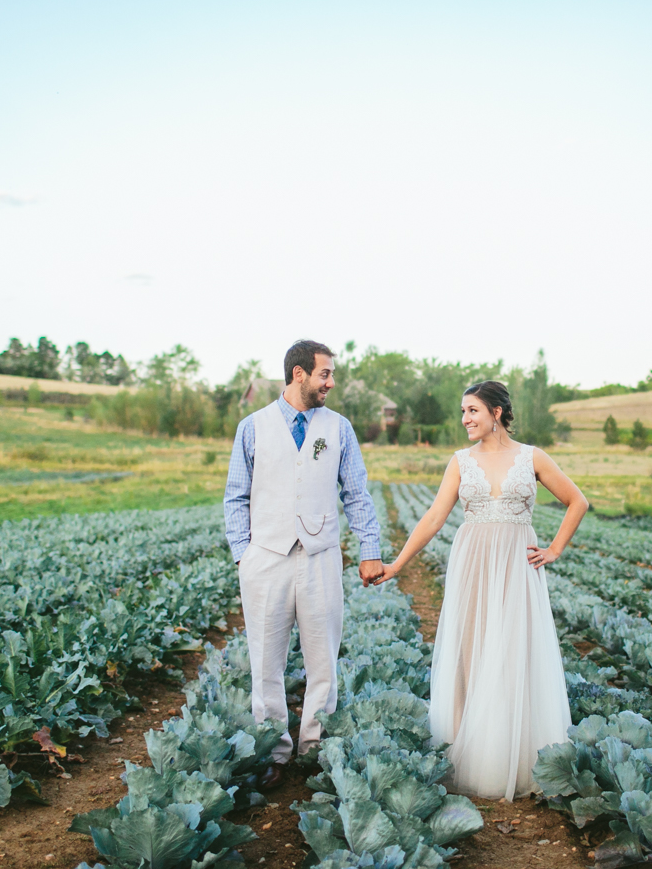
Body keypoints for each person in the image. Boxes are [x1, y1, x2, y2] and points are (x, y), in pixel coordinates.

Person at [374, 380, 587, 800]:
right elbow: (435, 517)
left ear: (496, 413)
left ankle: (514, 752)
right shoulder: (459, 461)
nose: (465, 419)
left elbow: (576, 500)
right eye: (463, 412)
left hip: (515, 565)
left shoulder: (532, 457)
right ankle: (467, 747)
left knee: (512, 650)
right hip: (471, 562)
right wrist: (398, 563)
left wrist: (554, 549)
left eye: (472, 410)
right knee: (472, 648)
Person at [223, 339, 385, 789]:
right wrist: (244, 556)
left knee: (323, 661)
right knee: (265, 663)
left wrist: (369, 548)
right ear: (299, 374)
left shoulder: (339, 428)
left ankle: (314, 751)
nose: (331, 382)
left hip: (320, 557)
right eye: (325, 374)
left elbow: (356, 493)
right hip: (266, 559)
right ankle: (274, 751)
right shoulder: (252, 427)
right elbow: (235, 496)